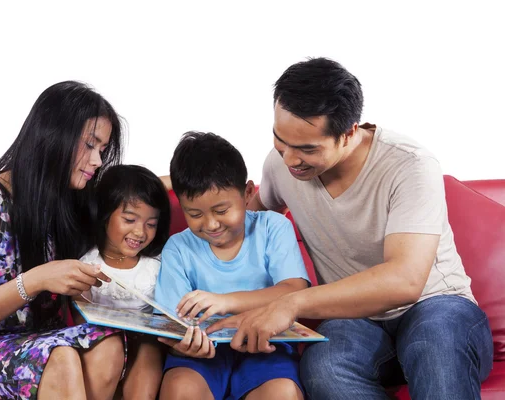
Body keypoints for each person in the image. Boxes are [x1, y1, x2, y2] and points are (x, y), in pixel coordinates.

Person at [208, 58, 494, 399]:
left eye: (307, 149)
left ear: (348, 133)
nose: (289, 159)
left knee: (436, 346)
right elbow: (242, 221)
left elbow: (405, 281)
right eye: (279, 139)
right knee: (324, 367)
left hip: (436, 306)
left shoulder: (409, 165)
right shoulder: (282, 165)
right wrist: (168, 185)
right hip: (354, 320)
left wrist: (291, 304)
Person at [0, 81, 129, 400]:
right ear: (53, 136)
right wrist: (37, 279)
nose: (97, 161)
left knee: (108, 342)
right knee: (60, 356)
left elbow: (137, 190)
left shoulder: (69, 202)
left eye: (103, 150)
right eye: (90, 145)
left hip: (42, 341)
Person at [154, 132, 310, 400]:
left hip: (265, 347)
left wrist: (224, 301)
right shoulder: (178, 248)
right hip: (202, 356)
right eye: (195, 214)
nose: (211, 224)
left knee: (281, 393)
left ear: (248, 193)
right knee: (180, 390)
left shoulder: (273, 227)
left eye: (222, 211)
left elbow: (294, 290)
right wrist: (182, 345)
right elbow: (169, 323)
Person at [74, 164, 171, 399]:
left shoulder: (157, 264)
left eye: (151, 224)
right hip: (102, 349)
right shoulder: (86, 264)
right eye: (130, 219)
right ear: (105, 215)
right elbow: (79, 324)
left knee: (150, 349)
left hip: (147, 347)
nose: (140, 232)